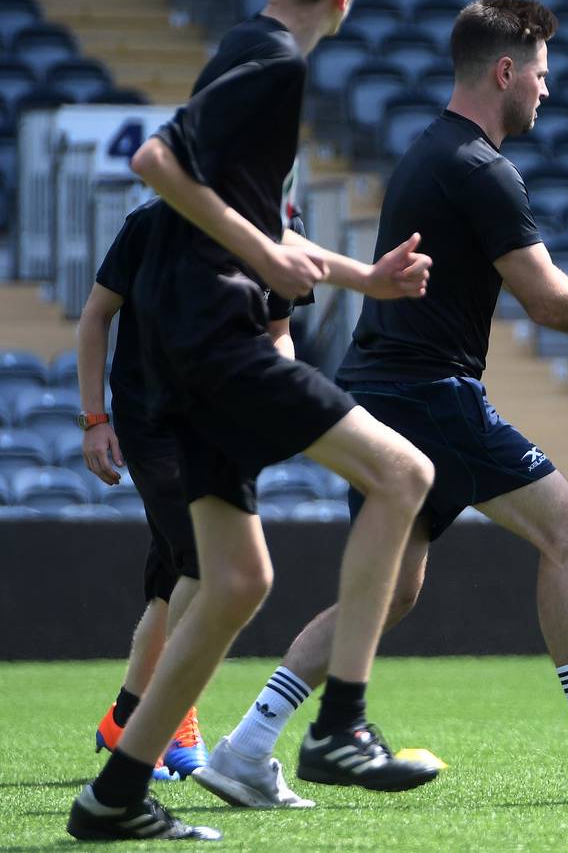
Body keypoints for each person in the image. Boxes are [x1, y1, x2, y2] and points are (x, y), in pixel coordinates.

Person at [192, 0, 568, 810]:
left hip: (386, 390)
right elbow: (547, 300)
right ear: (506, 71)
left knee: (392, 591)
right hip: (425, 393)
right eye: (542, 75)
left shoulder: (432, 151)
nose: (547, 92)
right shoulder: (480, 168)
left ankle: (245, 746)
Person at [68, 0, 439, 843]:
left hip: (179, 360)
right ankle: (342, 725)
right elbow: (157, 159)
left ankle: (114, 794)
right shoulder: (272, 62)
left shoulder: (250, 48)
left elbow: (259, 214)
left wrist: (366, 275)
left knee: (235, 582)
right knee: (406, 475)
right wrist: (268, 258)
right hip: (217, 339)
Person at [82, 200, 318, 786]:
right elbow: (95, 318)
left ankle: (126, 721)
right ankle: (173, 725)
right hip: (152, 422)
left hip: (221, 426)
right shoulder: (151, 222)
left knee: (172, 581)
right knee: (206, 565)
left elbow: (279, 335)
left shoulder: (280, 236)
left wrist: (272, 394)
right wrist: (94, 419)